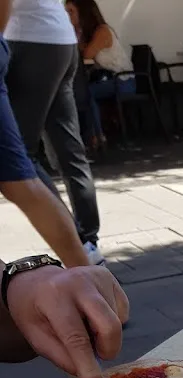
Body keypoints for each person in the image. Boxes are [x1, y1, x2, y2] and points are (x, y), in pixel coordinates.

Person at [4, 0, 105, 264]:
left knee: (21, 158)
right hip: (61, 40)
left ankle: (79, 246)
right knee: (70, 151)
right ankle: (89, 243)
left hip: (29, 41)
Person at [65, 0, 134, 149]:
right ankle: (88, 135)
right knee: (80, 92)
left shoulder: (102, 31)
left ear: (83, 13)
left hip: (122, 81)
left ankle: (97, 136)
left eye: (71, 11)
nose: (67, 16)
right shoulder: (83, 33)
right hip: (105, 80)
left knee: (86, 93)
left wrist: (77, 41)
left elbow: (86, 54)